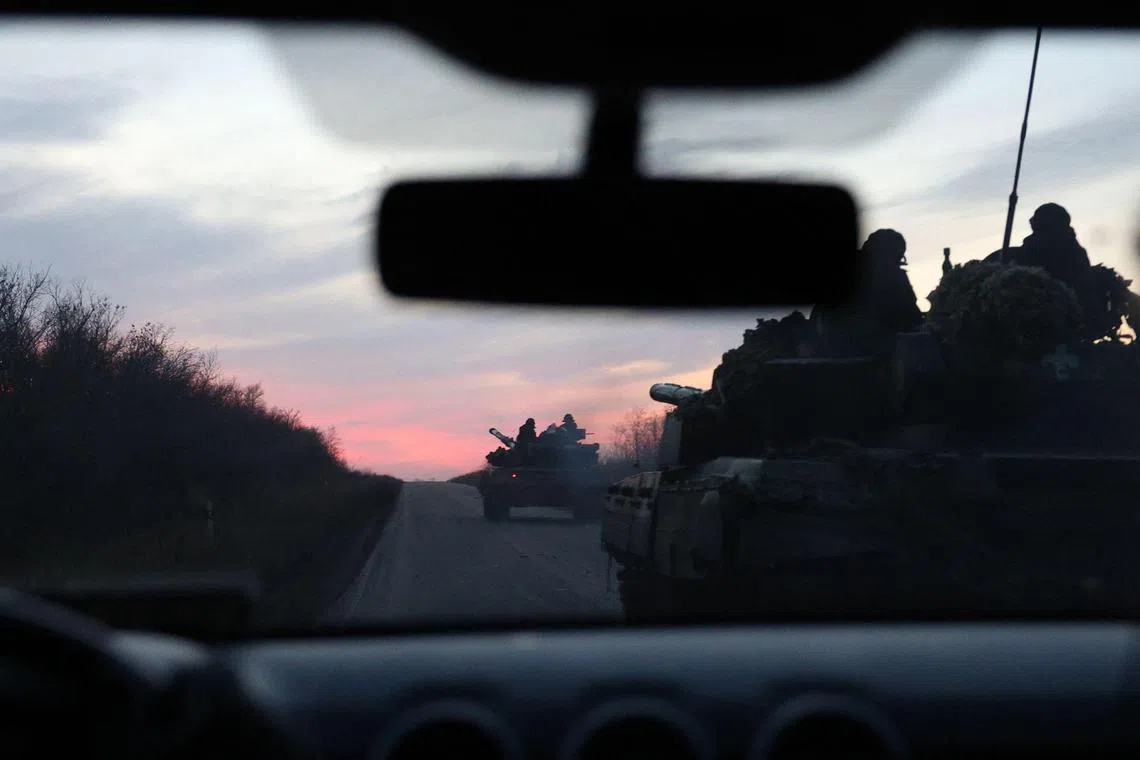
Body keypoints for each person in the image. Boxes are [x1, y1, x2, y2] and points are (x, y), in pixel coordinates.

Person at [812, 228, 923, 355]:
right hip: (871, 351)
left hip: (833, 348)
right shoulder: (893, 276)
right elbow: (913, 317)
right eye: (897, 259)